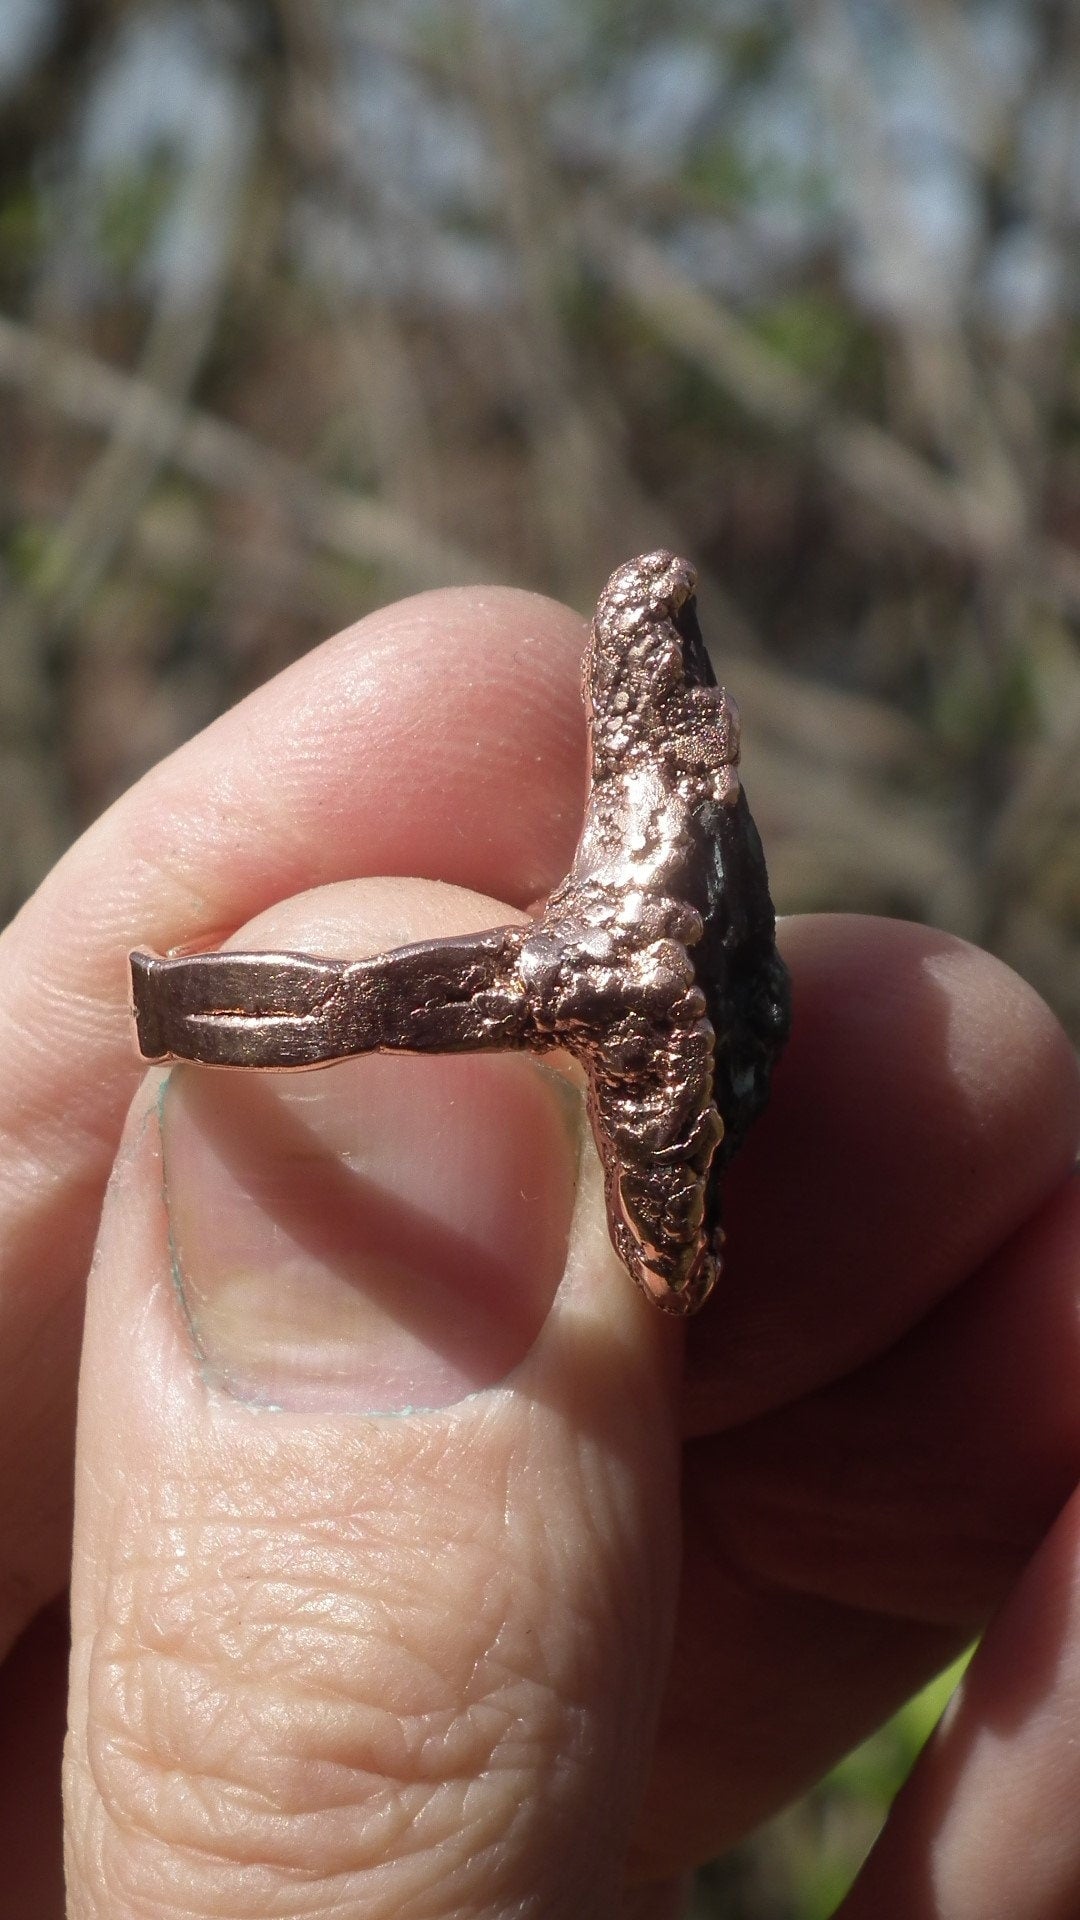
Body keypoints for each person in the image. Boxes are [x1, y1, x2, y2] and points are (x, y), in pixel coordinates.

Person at [2, 582, 1077, 1919]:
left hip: (641, 1019)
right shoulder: (659, 828)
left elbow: (680, 1094)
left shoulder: (678, 848)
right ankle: (197, 1016)